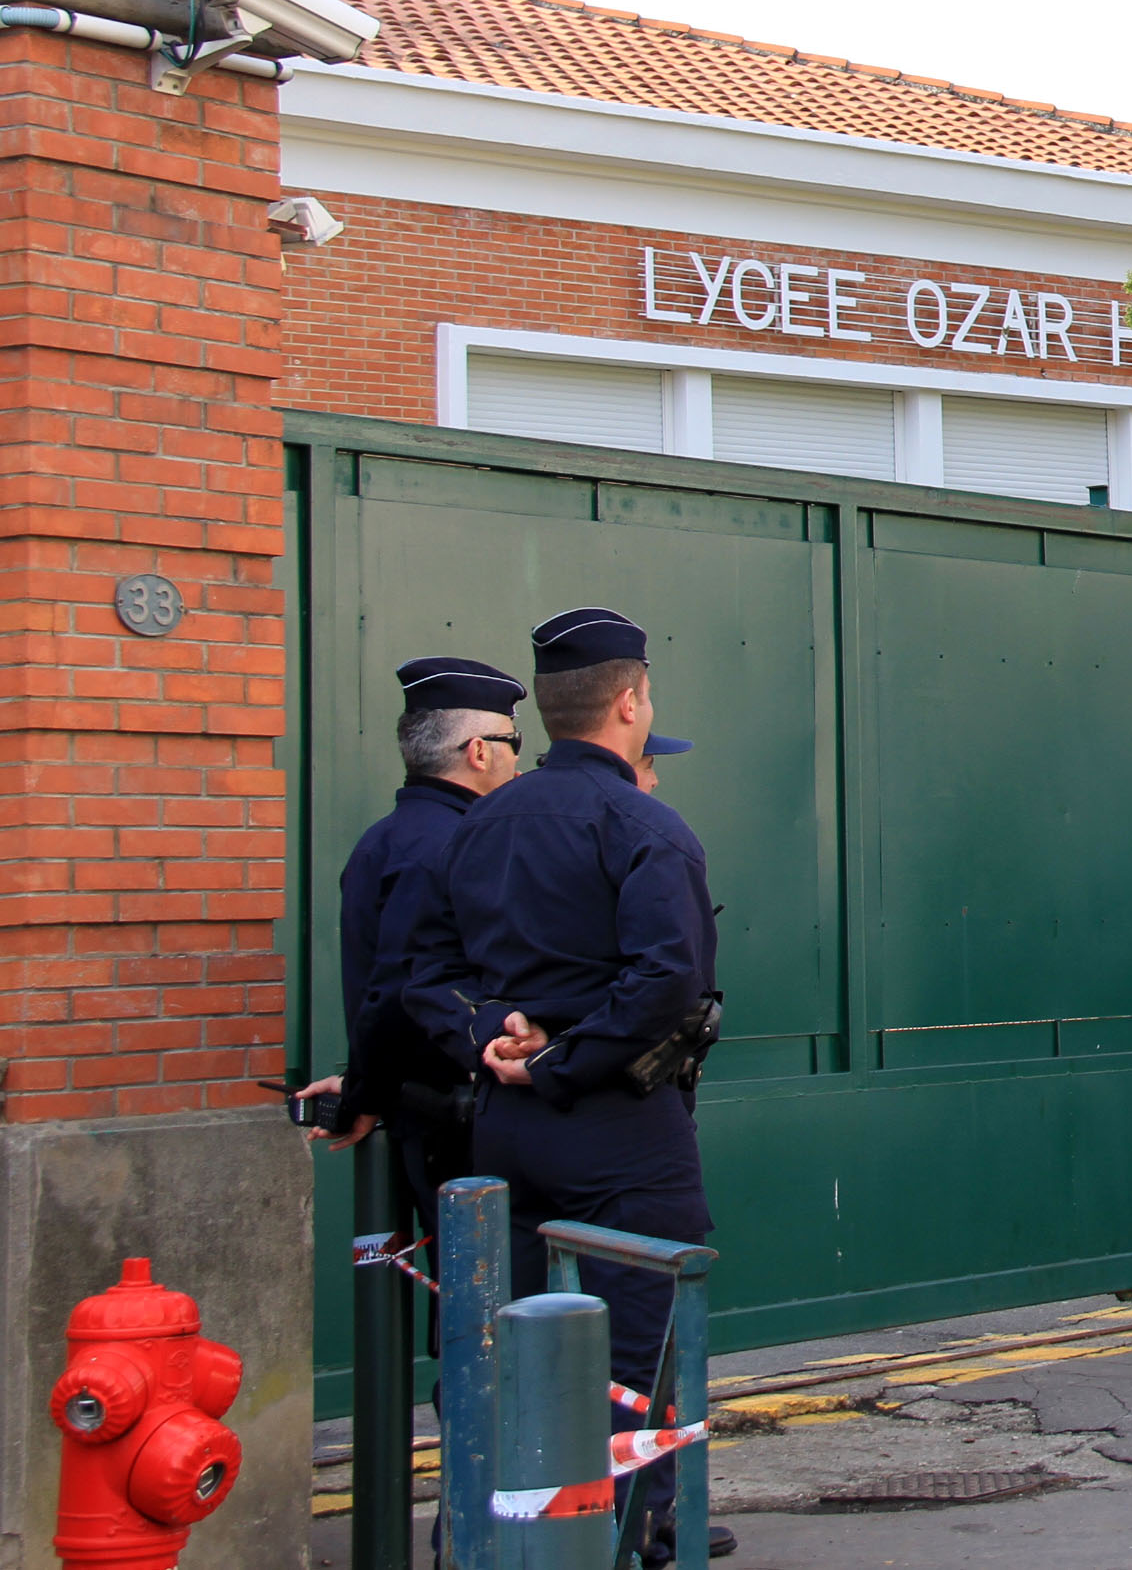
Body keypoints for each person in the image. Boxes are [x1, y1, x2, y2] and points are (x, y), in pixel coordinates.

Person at [402, 607, 731, 1562]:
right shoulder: (644, 824)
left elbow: (424, 970)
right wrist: (563, 1058)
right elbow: (669, 979)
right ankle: (628, 1537)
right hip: (620, 1126)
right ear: (630, 701)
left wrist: (490, 1039)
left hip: (505, 1127)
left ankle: (484, 1535)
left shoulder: (478, 822)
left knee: (505, 1350)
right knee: (636, 1355)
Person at [296, 657, 527, 1237]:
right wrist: (366, 1090)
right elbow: (404, 988)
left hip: (421, 1109)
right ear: (479, 752)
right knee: (484, 1279)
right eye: (514, 741)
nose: (521, 760)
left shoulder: (383, 840)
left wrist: (364, 1089)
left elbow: (379, 987)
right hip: (463, 1114)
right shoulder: (460, 843)